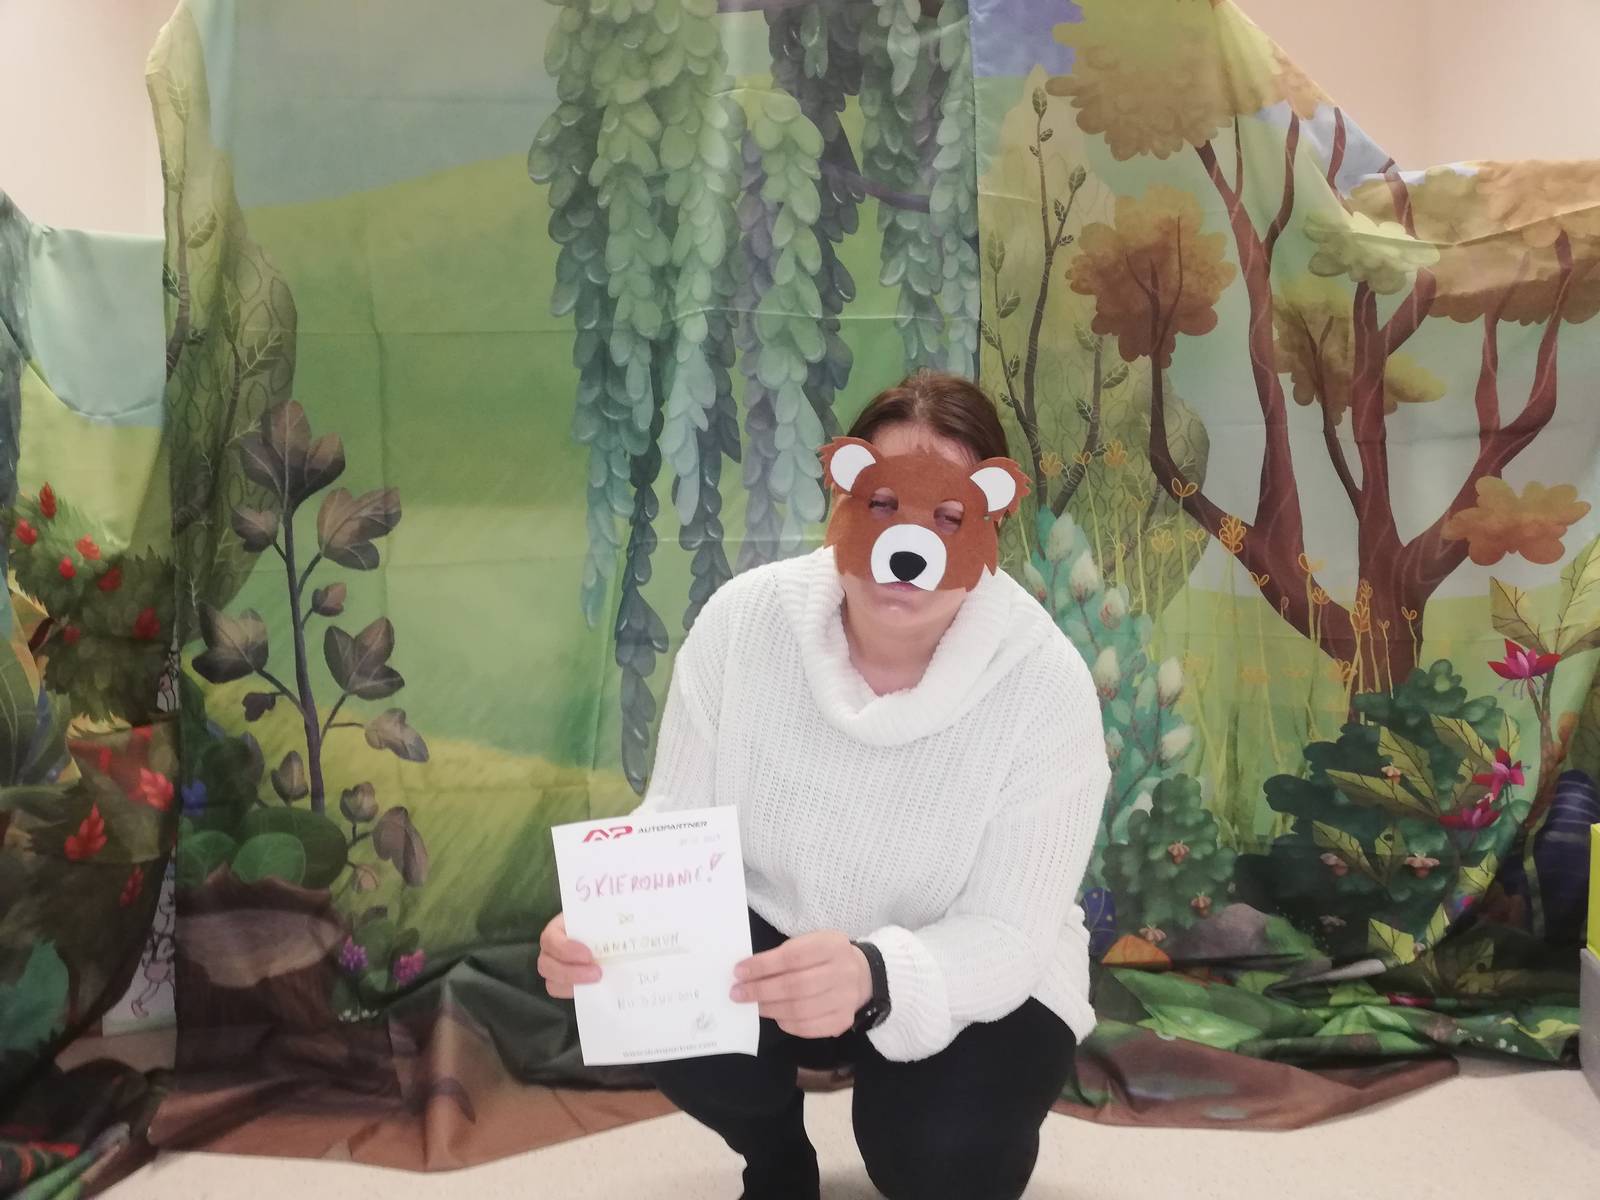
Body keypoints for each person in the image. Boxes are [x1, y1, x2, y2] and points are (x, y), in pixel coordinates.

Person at [539, 371, 1109, 1200]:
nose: (906, 548)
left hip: (971, 962)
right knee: (637, 981)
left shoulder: (1044, 684)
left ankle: (929, 1121)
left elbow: (1009, 933)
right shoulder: (744, 623)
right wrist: (609, 927)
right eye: (881, 503)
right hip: (779, 940)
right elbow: (674, 829)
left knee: (947, 1164)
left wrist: (876, 974)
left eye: (948, 517)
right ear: (841, 493)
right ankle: (775, 1155)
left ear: (991, 520)